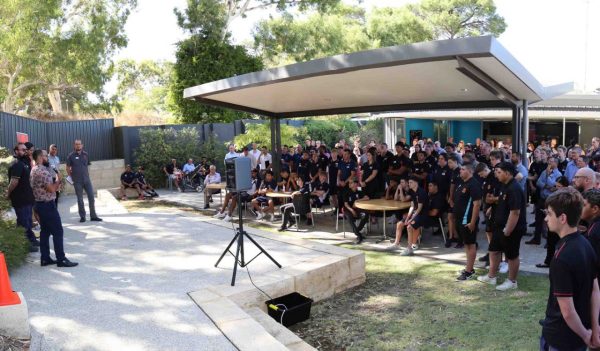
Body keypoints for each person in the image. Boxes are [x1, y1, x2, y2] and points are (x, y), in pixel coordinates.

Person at [540, 188, 598, 351]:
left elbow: (567, 311)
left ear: (563, 218)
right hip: (580, 332)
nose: (546, 218)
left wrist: (586, 336)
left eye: (549, 214)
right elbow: (595, 290)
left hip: (562, 338)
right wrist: (594, 328)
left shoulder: (561, 257)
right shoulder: (586, 244)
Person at [477, 162, 526, 290]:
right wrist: (492, 209)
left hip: (511, 228)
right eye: (495, 172)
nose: (496, 174)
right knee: (493, 250)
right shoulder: (504, 185)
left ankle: (512, 281)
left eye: (499, 172)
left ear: (508, 173)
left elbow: (515, 212)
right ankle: (491, 277)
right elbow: (501, 201)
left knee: (511, 255)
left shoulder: (514, 188)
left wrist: (508, 230)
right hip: (499, 225)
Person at [30, 149, 78, 267]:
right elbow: (51, 188)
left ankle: (45, 258)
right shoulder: (42, 171)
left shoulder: (34, 170)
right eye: (46, 156)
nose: (48, 158)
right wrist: (58, 179)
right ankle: (61, 259)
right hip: (47, 205)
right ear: (41, 157)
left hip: (40, 204)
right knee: (58, 231)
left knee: (45, 231)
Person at [7, 143, 38, 252]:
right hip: (20, 199)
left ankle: (31, 239)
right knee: (24, 222)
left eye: (26, 149)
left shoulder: (24, 162)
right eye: (22, 150)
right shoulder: (16, 164)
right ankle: (26, 244)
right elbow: (14, 182)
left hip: (27, 198)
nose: (25, 151)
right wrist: (7, 193)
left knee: (27, 221)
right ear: (16, 151)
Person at [454, 163, 482, 281]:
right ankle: (468, 267)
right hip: (460, 219)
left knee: (471, 244)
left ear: (470, 171)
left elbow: (477, 205)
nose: (460, 171)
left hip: (468, 220)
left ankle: (469, 271)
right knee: (466, 243)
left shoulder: (474, 184)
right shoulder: (463, 183)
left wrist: (472, 222)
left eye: (463, 169)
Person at [66, 140, 102, 223]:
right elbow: (68, 168)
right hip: (77, 181)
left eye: (79, 144)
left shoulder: (86, 154)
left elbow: (88, 166)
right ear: (74, 146)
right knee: (80, 199)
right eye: (76, 144)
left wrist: (88, 175)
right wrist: (72, 178)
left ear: (82, 145)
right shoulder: (70, 156)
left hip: (87, 180)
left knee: (91, 198)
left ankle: (93, 216)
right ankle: (82, 217)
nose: (78, 146)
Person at [528, 156, 562, 245]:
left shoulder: (558, 174)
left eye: (551, 162)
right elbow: (539, 182)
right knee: (538, 219)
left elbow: (554, 185)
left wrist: (547, 178)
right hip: (542, 199)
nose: (549, 163)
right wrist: (547, 186)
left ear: (556, 163)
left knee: (550, 220)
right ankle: (536, 239)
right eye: (549, 161)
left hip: (551, 200)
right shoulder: (544, 172)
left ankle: (549, 241)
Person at [399, 176, 429, 256]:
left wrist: (411, 218)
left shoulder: (421, 192)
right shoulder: (411, 191)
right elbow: (412, 206)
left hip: (423, 215)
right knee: (405, 224)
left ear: (416, 183)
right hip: (416, 213)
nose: (409, 184)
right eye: (409, 182)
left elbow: (419, 209)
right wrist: (408, 217)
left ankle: (409, 248)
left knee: (409, 227)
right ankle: (409, 246)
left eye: (411, 182)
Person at [344, 177, 369, 244]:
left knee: (366, 214)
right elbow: (346, 204)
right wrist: (352, 210)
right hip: (349, 209)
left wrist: (357, 200)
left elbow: (367, 198)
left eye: (351, 182)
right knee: (349, 216)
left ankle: (357, 231)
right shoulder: (347, 191)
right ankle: (359, 235)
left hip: (358, 209)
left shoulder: (359, 189)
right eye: (349, 183)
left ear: (355, 184)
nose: (349, 184)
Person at [446, 154, 462, 247]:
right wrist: (450, 197)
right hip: (453, 197)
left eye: (450, 163)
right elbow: (451, 186)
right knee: (450, 217)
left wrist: (452, 198)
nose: (449, 164)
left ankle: (459, 238)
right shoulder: (453, 171)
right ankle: (452, 236)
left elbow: (454, 186)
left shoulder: (460, 171)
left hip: (459, 198)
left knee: (457, 219)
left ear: (456, 162)